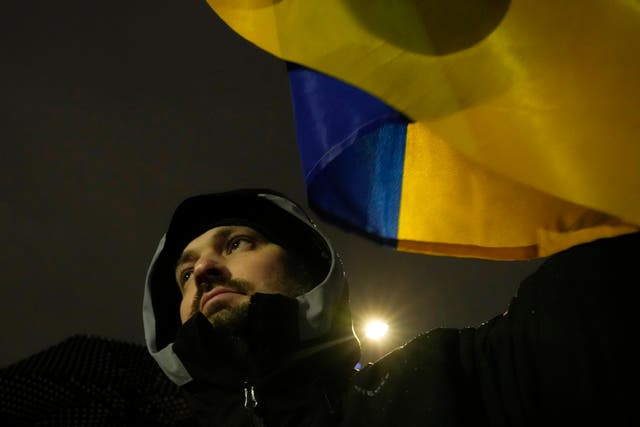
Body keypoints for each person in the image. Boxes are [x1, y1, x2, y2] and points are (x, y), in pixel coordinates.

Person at [143, 188, 637, 427]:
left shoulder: (444, 381)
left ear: (308, 270)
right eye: (185, 273)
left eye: (237, 244)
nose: (204, 269)